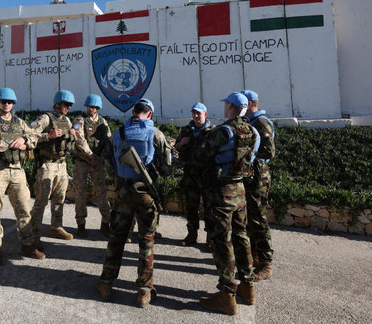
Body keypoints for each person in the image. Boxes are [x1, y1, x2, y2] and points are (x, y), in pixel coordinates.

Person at [97, 98, 172, 308]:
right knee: (146, 241)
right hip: (146, 195)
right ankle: (144, 291)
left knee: (117, 238)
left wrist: (119, 181)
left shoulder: (119, 132)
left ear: (134, 111)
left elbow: (109, 162)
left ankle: (105, 283)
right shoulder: (156, 134)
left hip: (123, 193)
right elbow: (167, 167)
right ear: (149, 114)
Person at [195, 92, 260, 315]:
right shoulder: (251, 130)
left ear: (230, 107)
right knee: (242, 236)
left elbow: (200, 156)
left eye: (226, 105)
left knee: (223, 240)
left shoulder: (223, 131)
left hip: (221, 191)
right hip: (239, 189)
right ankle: (248, 286)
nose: (224, 108)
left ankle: (227, 294)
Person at [0, 87, 45, 264]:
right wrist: (11, 143)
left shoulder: (19, 122)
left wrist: (24, 140)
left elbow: (34, 137)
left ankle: (28, 244)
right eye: (3, 102)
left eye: (9, 102)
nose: (7, 104)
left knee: (24, 208)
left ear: (13, 104)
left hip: (17, 171)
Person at [29, 90, 94, 249]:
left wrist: (91, 155)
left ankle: (56, 227)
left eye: (71, 105)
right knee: (42, 199)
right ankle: (32, 232)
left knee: (59, 198)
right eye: (66, 104)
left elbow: (79, 140)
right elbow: (29, 134)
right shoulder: (45, 118)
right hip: (47, 165)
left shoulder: (66, 120)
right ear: (57, 103)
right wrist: (47, 136)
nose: (69, 107)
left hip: (62, 165)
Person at [241, 90, 276, 281]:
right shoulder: (249, 123)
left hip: (258, 177)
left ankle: (266, 262)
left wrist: (249, 156)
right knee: (249, 217)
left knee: (258, 218)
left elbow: (269, 152)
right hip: (249, 176)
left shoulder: (261, 123)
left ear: (250, 103)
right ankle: (254, 256)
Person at [72, 94, 112, 238]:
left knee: (102, 193)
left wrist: (100, 157)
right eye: (89, 106)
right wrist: (91, 155)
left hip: (97, 163)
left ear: (98, 108)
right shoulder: (80, 120)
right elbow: (79, 139)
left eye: (94, 107)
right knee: (80, 193)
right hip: (83, 162)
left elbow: (108, 140)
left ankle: (106, 223)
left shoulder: (103, 122)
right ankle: (81, 224)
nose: (91, 108)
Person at [175, 102, 214, 246]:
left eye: (199, 113)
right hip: (190, 176)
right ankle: (192, 235)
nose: (196, 116)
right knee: (191, 207)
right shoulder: (186, 130)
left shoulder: (212, 131)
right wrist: (180, 144)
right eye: (194, 113)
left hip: (207, 177)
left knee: (210, 208)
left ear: (205, 114)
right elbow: (176, 150)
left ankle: (211, 238)